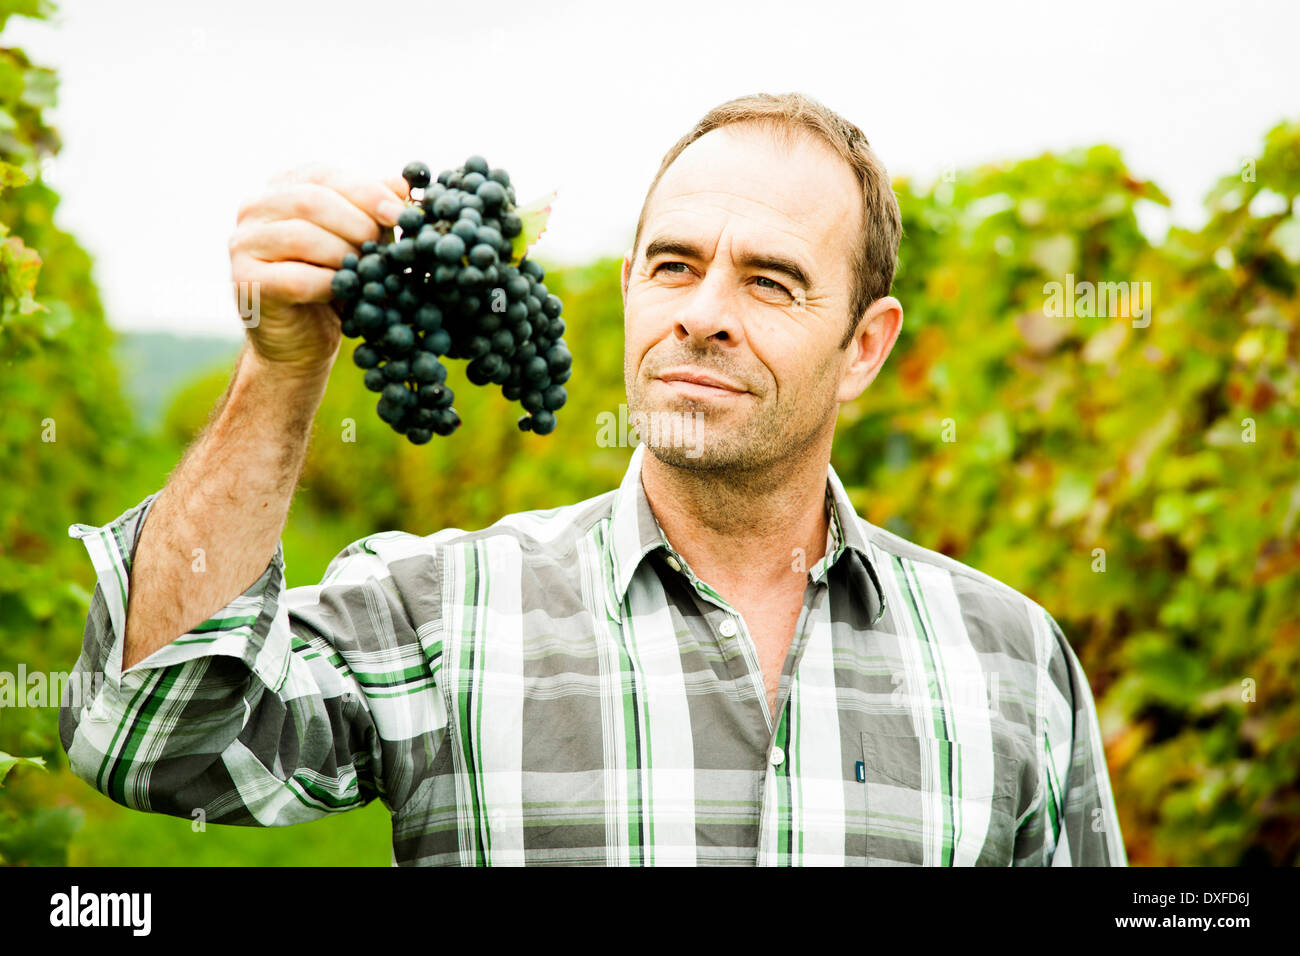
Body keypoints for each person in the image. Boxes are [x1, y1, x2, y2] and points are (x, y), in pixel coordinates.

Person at [60, 91, 1126, 866]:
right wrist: (283, 368)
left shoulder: (1013, 660)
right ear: (627, 290)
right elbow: (147, 736)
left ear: (863, 345)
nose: (702, 311)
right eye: (673, 264)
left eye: (771, 279)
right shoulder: (443, 612)